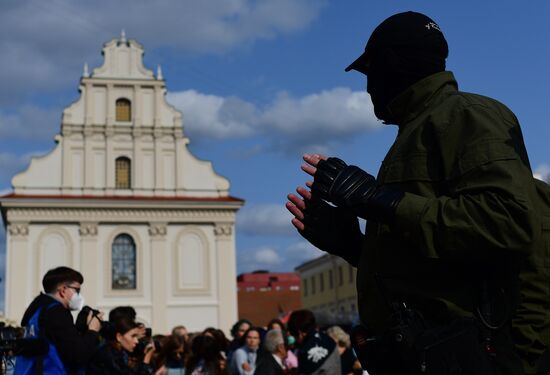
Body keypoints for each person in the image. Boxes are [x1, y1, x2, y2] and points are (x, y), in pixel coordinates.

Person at [286, 11, 541, 375]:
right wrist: (352, 245)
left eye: (369, 72)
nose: (369, 87)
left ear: (391, 65)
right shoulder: (420, 130)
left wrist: (378, 200)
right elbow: (433, 266)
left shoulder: (466, 115)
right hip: (427, 356)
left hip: (467, 356)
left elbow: (508, 223)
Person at [14, 266, 101, 374]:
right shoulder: (56, 312)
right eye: (77, 290)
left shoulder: (37, 310)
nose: (79, 295)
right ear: (63, 290)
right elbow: (78, 357)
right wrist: (92, 331)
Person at [87, 313, 156, 374]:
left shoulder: (118, 353)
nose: (136, 341)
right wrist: (146, 360)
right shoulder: (110, 357)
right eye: (133, 336)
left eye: (137, 336)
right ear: (119, 337)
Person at [286, 310, 340, 374]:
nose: (295, 339)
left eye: (293, 335)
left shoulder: (305, 354)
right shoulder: (328, 339)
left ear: (300, 333)